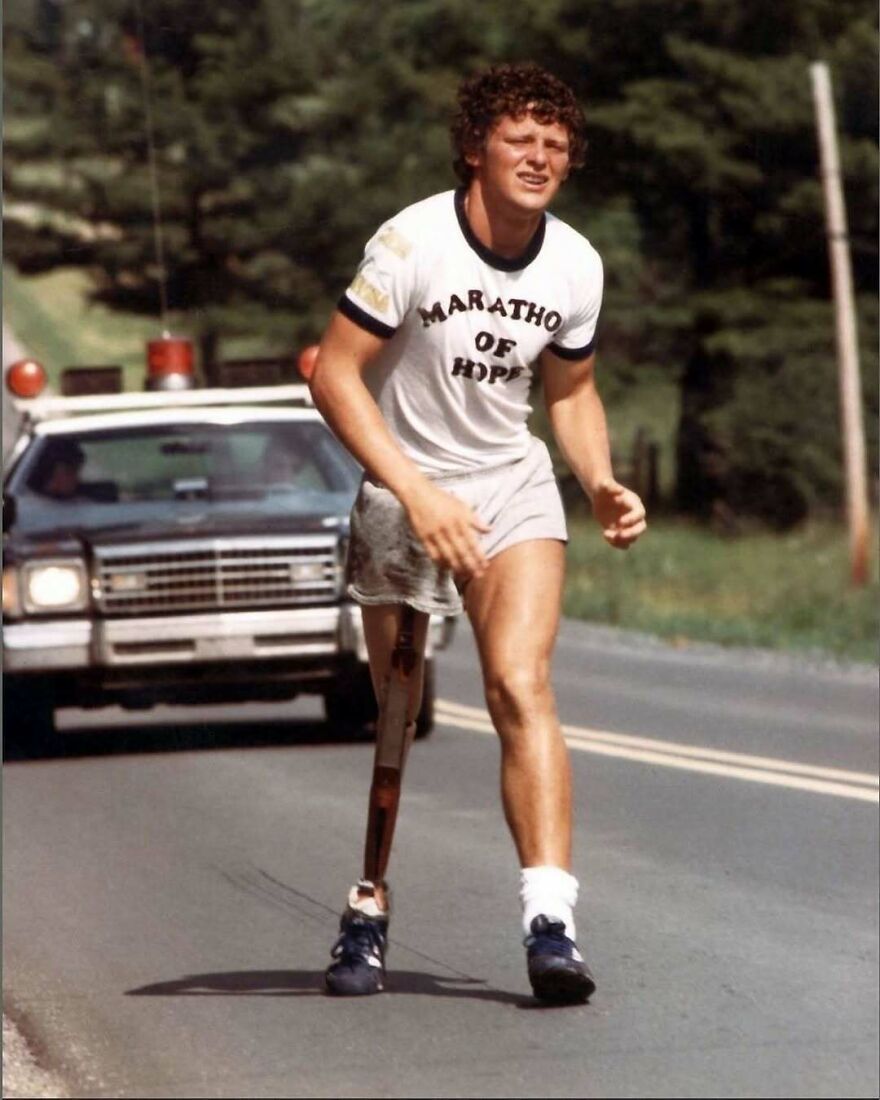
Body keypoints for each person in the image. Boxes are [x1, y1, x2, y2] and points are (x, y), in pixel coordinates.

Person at [309, 61, 646, 1004]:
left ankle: (551, 924)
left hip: (510, 485)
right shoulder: (411, 241)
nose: (539, 157)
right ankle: (367, 907)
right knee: (396, 713)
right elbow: (334, 374)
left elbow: (571, 392)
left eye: (556, 144)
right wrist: (416, 493)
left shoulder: (575, 263)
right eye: (519, 139)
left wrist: (599, 480)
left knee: (519, 683)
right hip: (405, 485)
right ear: (474, 148)